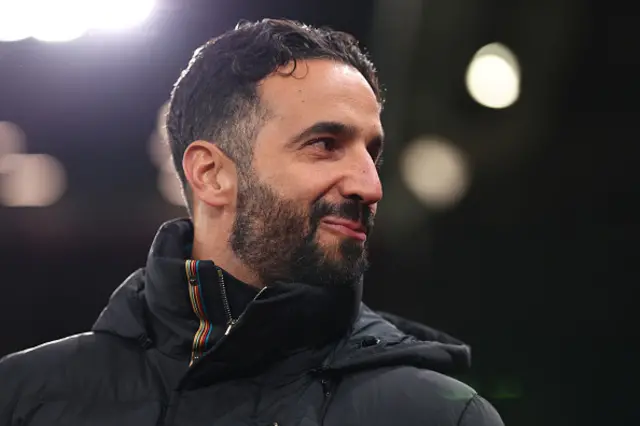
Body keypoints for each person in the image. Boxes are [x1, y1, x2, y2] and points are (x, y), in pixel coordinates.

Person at [0, 19, 504, 426]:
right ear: (211, 174)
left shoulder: (440, 415)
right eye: (325, 144)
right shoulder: (25, 399)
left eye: (372, 153)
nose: (370, 187)